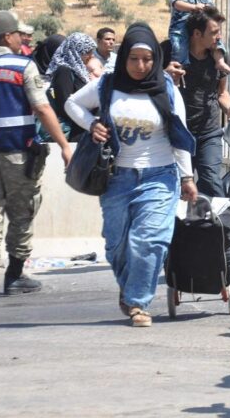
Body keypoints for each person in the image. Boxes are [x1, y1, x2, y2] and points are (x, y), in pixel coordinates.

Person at [66, 23, 198, 327]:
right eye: (134, 59)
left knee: (149, 240)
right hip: (116, 178)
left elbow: (180, 137)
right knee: (116, 244)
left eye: (147, 59)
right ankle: (130, 289)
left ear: (156, 59)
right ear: (124, 56)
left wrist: (187, 178)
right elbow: (72, 103)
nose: (140, 66)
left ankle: (138, 303)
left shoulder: (167, 89)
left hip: (159, 176)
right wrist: (91, 124)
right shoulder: (107, 85)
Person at [0, 10, 72, 300]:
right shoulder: (23, 66)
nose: (22, 38)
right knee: (22, 212)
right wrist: (64, 145)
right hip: (18, 153)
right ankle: (15, 275)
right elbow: (42, 108)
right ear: (7, 36)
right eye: (19, 33)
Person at [167, 7, 230, 197]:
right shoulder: (172, 54)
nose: (219, 37)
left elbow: (222, 93)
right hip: (178, 134)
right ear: (197, 34)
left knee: (211, 181)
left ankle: (217, 217)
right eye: (214, 32)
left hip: (208, 133)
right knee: (176, 186)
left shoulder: (219, 57)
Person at [169, 0, 230, 75]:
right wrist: (193, 7)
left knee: (217, 41)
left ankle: (220, 61)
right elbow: (176, 3)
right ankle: (178, 70)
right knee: (178, 47)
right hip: (180, 27)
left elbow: (211, 10)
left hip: (201, 26)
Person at [45, 32, 99, 142]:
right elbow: (65, 105)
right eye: (87, 52)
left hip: (83, 129)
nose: (91, 56)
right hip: (72, 134)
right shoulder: (64, 71)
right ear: (75, 51)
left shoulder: (80, 72)